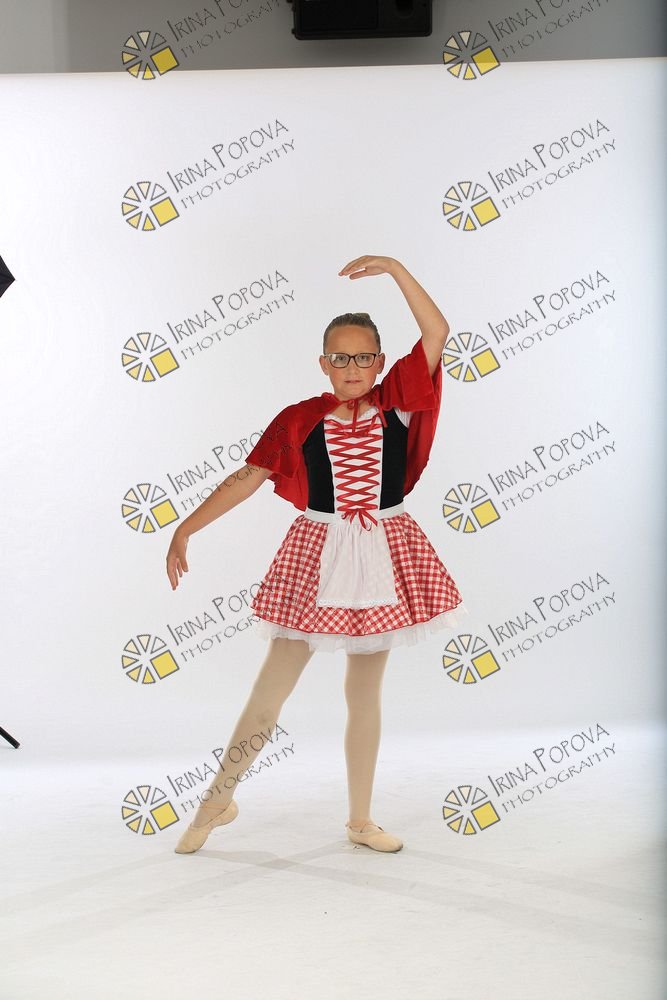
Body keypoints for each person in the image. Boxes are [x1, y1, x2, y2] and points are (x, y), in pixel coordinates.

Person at [166, 254, 469, 856]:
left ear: (380, 362)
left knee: (365, 693)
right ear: (323, 362)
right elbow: (249, 477)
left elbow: (437, 331)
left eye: (363, 357)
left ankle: (360, 820)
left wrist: (395, 268)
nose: (352, 368)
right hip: (317, 551)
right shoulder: (301, 419)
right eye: (340, 357)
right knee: (270, 689)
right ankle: (217, 800)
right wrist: (186, 527)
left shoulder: (398, 403)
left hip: (385, 550)